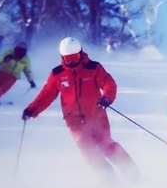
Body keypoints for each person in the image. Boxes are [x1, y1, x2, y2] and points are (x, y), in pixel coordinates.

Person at [22, 37, 138, 180]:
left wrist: (107, 97)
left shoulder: (93, 68)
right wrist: (32, 109)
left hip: (96, 115)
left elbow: (109, 83)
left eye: (75, 57)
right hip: (73, 119)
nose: (72, 62)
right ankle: (106, 177)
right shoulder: (58, 74)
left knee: (105, 144)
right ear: (62, 57)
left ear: (81, 53)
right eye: (68, 58)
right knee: (86, 147)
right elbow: (47, 94)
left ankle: (131, 171)